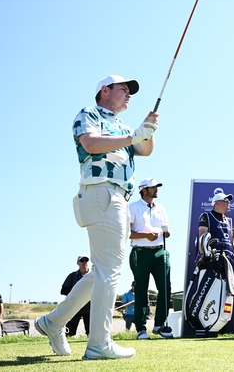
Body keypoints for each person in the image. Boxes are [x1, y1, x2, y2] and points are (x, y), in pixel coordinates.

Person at [36, 74, 157, 360]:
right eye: (124, 89)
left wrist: (149, 129)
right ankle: (99, 343)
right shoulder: (89, 114)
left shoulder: (123, 127)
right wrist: (134, 135)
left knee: (101, 271)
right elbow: (90, 144)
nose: (129, 95)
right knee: (110, 270)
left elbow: (144, 149)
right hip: (101, 192)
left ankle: (53, 322)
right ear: (105, 90)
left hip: (117, 197)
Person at [129, 177, 172, 340]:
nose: (156, 189)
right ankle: (141, 328)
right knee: (141, 289)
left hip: (161, 251)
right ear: (144, 190)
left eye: (157, 187)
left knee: (166, 288)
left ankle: (160, 324)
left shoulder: (161, 208)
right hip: (140, 252)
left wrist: (167, 232)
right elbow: (127, 232)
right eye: (153, 187)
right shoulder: (132, 207)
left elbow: (167, 228)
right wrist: (146, 235)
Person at [199, 192, 234, 265]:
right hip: (212, 260)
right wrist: (204, 254)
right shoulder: (207, 216)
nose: (228, 202)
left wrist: (233, 247)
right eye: (225, 200)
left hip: (228, 260)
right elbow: (202, 237)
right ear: (216, 203)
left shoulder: (228, 220)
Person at [60, 255, 91, 336]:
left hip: (90, 308)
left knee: (91, 333)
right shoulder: (73, 276)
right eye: (82, 261)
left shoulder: (94, 275)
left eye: (86, 260)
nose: (84, 262)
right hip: (75, 308)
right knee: (69, 333)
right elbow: (63, 290)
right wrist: (77, 294)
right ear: (78, 263)